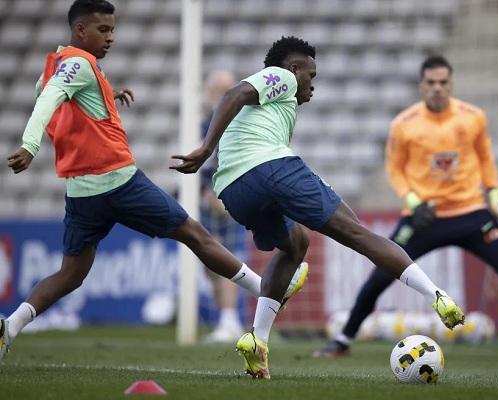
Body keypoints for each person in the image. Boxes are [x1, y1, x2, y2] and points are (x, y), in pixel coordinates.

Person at [0, 0, 307, 362]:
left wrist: (103, 95)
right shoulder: (80, 64)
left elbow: (47, 93)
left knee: (71, 273)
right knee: (194, 234)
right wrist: (30, 145)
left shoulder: (57, 65)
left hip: (81, 191)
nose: (111, 37)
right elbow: (51, 98)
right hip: (118, 181)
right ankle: (269, 290)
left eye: (113, 29)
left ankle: (10, 327)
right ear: (80, 30)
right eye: (103, 29)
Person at [171, 37, 465, 380]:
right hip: (269, 167)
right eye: (311, 75)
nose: (312, 84)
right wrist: (205, 148)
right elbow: (233, 93)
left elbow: (239, 105)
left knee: (295, 243)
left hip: (233, 190)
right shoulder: (279, 77)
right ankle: (438, 296)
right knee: (357, 233)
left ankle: (257, 340)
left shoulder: (276, 107)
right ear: (294, 69)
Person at [315, 55, 498, 363]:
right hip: (424, 216)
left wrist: (496, 199)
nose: (437, 88)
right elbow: (395, 168)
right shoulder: (404, 124)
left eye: (443, 83)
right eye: (431, 83)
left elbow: (486, 161)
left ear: (451, 84)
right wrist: (414, 203)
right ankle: (343, 339)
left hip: (472, 214)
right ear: (421, 85)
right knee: (381, 274)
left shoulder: (473, 117)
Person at [200, 70, 247, 343]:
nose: (221, 95)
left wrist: (221, 191)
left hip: (226, 199)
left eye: (227, 89)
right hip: (205, 200)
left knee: (226, 256)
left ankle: (229, 318)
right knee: (210, 262)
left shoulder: (236, 123)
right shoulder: (204, 123)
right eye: (218, 89)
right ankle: (225, 319)